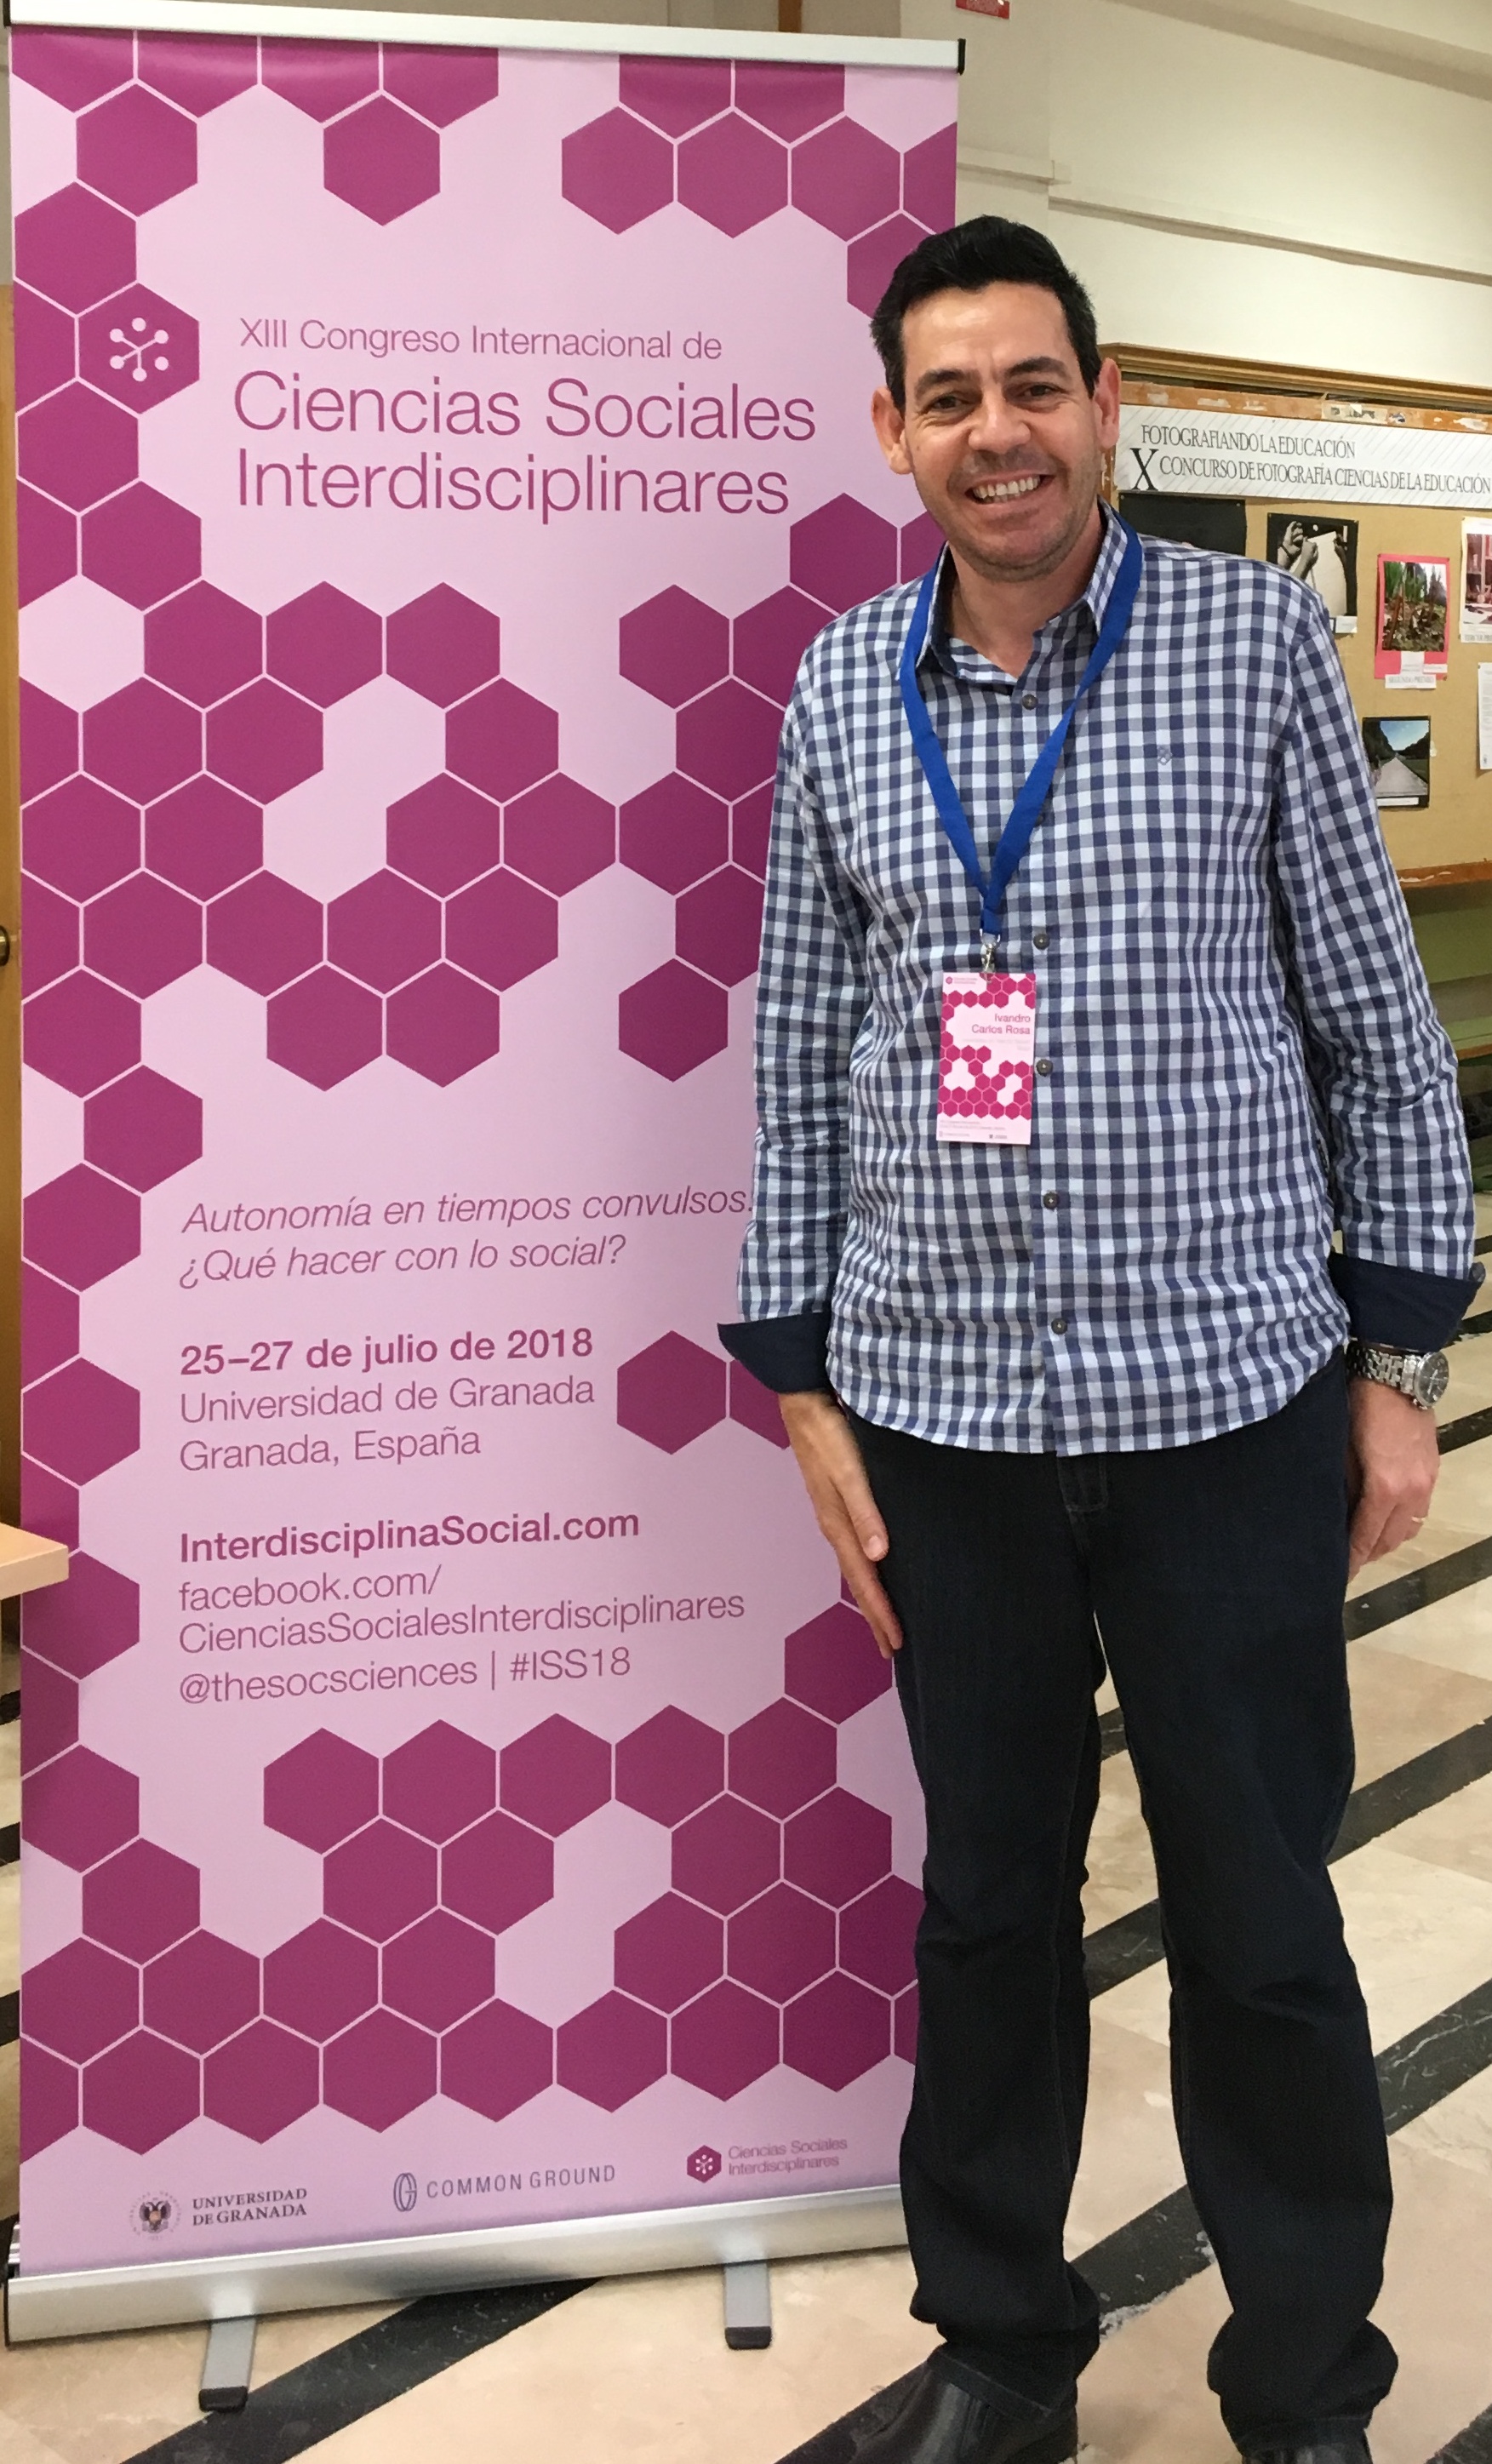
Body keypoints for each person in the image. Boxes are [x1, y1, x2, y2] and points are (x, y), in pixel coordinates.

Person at [721, 217, 1479, 2464]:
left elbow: (1375, 1027)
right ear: (893, 431)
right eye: (949, 397)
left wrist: (1402, 1363)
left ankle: (1304, 2380)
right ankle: (1000, 2346)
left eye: (1033, 385)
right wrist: (801, 1380)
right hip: (941, 1418)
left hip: (1222, 1403)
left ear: (1102, 400)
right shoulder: (841, 693)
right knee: (984, 1907)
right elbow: (801, 1060)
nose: (999, 435)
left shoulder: (1250, 647)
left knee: (1258, 1913)